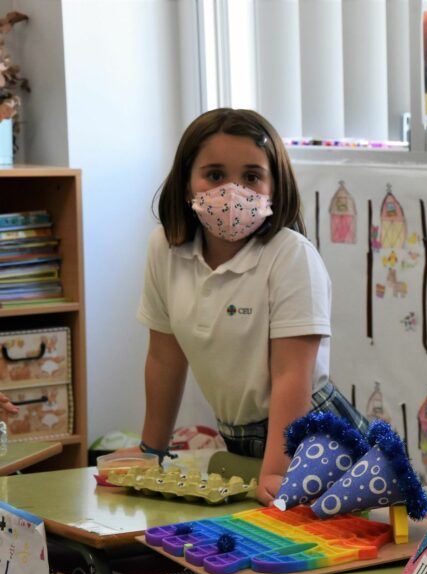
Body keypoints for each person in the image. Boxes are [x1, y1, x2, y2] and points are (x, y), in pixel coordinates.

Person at [133, 108, 366, 505]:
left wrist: (278, 471)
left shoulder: (292, 256)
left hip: (308, 437)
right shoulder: (165, 249)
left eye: (252, 177)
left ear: (275, 186)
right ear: (187, 182)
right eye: (215, 175)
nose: (233, 191)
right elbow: (164, 358)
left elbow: (292, 376)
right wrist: (150, 454)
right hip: (239, 438)